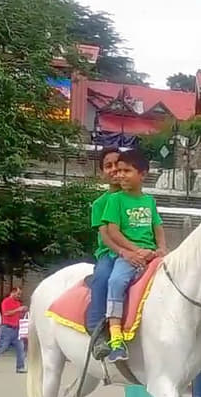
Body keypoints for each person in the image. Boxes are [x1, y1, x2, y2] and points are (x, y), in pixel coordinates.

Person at [101, 149, 166, 362]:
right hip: (130, 255)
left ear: (143, 174)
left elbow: (158, 227)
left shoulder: (150, 201)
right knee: (116, 280)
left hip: (151, 255)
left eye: (126, 171)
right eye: (118, 171)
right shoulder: (115, 200)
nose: (120, 175)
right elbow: (112, 231)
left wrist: (161, 249)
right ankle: (116, 337)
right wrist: (133, 251)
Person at [86, 147, 131, 358]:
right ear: (101, 172)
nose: (114, 170)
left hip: (137, 253)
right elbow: (106, 237)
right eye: (108, 166)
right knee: (102, 278)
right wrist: (124, 251)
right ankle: (96, 331)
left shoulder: (136, 198)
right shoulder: (99, 204)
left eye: (117, 165)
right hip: (110, 254)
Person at [0, 287, 27, 373]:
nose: (19, 296)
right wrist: (18, 309)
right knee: (2, 348)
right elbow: (6, 313)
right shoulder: (6, 301)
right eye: (18, 294)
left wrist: (22, 312)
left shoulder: (18, 303)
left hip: (16, 328)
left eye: (20, 294)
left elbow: (17, 315)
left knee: (21, 348)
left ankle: (20, 367)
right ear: (13, 293)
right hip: (7, 329)